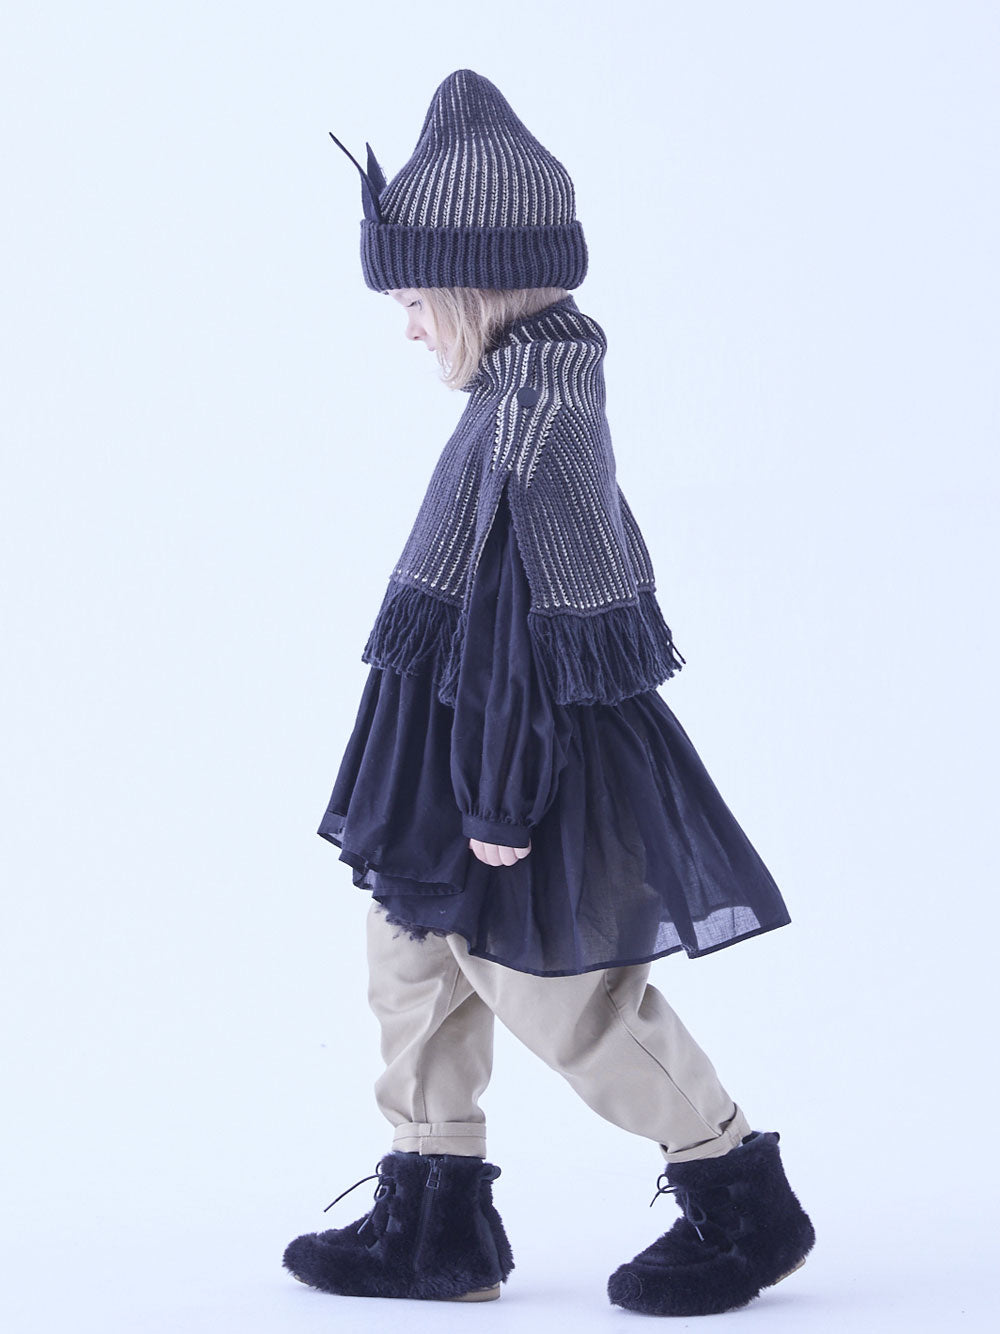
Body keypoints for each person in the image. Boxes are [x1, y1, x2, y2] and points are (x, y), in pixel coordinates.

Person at [283, 69, 816, 1316]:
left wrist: (498, 798)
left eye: (414, 300)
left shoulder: (542, 412)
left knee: (563, 995)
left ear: (476, 286)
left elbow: (522, 624)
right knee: (413, 967)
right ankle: (433, 1220)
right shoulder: (514, 390)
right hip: (446, 743)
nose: (408, 329)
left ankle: (740, 1197)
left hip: (511, 760)